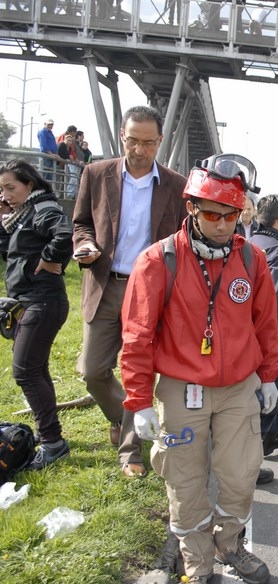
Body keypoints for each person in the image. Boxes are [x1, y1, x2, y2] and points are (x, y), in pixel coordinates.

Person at [120, 153, 278, 584]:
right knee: (185, 481)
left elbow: (264, 324)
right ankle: (197, 561)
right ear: (192, 208)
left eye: (232, 214)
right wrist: (139, 401)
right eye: (213, 213)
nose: (224, 224)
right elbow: (136, 335)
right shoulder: (158, 262)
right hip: (181, 389)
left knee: (242, 475)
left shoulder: (251, 261)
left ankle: (229, 544)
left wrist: (268, 377)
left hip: (237, 389)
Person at [72, 105, 188, 478]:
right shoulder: (96, 174)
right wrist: (85, 244)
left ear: (160, 142)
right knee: (92, 371)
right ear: (122, 136)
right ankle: (127, 420)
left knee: (140, 373)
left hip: (151, 294)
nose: (139, 149)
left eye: (148, 143)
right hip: (106, 285)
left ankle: (130, 452)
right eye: (133, 141)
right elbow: (81, 223)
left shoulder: (176, 185)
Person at [0, 159, 73, 470]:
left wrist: (47, 260)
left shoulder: (42, 208)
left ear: (29, 185)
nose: (5, 194)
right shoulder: (21, 215)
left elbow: (64, 232)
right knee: (36, 369)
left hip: (43, 300)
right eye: (1, 189)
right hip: (33, 300)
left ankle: (53, 443)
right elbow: (11, 253)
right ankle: (51, 437)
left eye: (10, 187)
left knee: (25, 371)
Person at [248, 194, 278, 485]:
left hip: (241, 337)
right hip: (267, 337)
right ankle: (266, 438)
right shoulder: (277, 252)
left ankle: (270, 432)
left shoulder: (249, 244)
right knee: (268, 390)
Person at [37, 119, 59, 185]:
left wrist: (55, 154)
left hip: (51, 156)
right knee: (45, 175)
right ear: (45, 124)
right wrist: (51, 154)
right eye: (49, 124)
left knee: (49, 175)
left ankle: (46, 191)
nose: (50, 126)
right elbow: (43, 144)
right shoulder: (42, 131)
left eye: (51, 124)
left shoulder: (50, 133)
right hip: (46, 156)